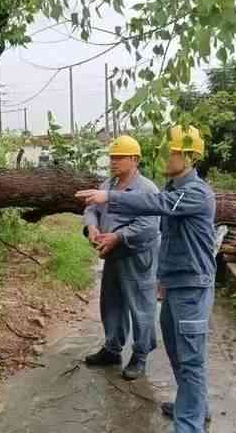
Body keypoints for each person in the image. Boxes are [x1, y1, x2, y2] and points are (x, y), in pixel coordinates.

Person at [76, 126, 216, 433]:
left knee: (190, 358)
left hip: (193, 287)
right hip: (177, 284)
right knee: (179, 353)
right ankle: (194, 406)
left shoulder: (195, 193)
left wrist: (109, 198)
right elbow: (169, 238)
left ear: (188, 156)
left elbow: (157, 208)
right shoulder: (173, 189)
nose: (166, 156)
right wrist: (163, 278)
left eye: (172, 152)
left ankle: (189, 426)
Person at [82, 135, 161, 381]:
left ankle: (140, 355)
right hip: (112, 255)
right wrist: (92, 228)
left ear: (135, 159)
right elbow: (91, 209)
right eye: (112, 157)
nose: (113, 162)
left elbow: (149, 225)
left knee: (141, 307)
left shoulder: (147, 189)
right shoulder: (108, 184)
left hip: (136, 256)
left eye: (119, 157)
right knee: (112, 302)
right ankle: (112, 348)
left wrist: (117, 237)